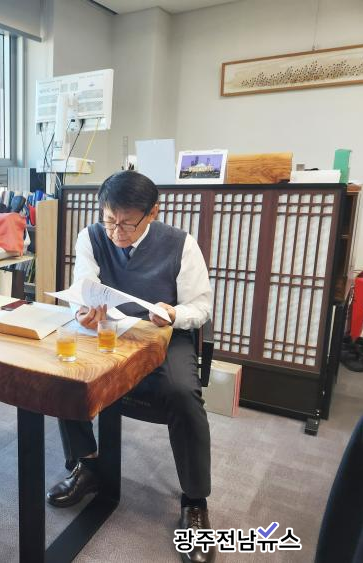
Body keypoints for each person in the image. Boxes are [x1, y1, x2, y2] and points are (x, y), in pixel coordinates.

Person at [45, 171, 215, 563]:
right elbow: (83, 286)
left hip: (163, 333)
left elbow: (201, 306)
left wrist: (174, 313)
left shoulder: (181, 244)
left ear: (152, 212)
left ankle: (194, 500)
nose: (116, 232)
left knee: (182, 392)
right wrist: (83, 310)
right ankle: (87, 465)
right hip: (108, 328)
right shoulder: (92, 236)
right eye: (110, 221)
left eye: (127, 223)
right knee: (66, 370)